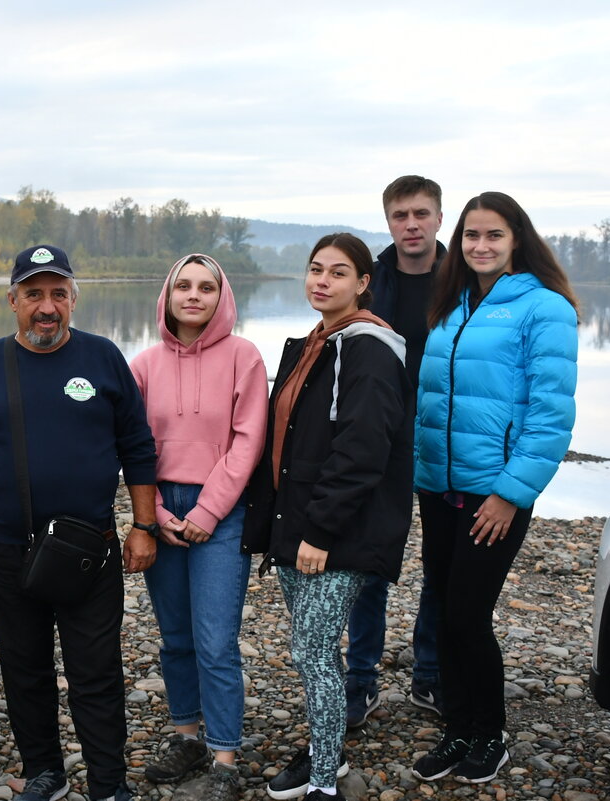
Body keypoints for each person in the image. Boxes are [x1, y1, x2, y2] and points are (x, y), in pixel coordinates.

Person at [0, 244, 159, 801]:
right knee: (23, 668)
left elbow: (137, 444)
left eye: (58, 294)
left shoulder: (105, 357)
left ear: (73, 300)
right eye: (33, 294)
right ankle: (45, 772)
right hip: (11, 549)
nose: (46, 307)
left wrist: (144, 524)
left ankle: (109, 784)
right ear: (12, 300)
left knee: (97, 673)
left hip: (91, 550)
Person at [410, 192, 578, 785]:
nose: (480, 246)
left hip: (493, 495)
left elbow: (550, 414)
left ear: (516, 240)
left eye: (493, 236)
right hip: (438, 487)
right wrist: (416, 465)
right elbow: (430, 402)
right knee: (444, 610)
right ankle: (457, 727)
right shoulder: (452, 306)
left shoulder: (543, 307)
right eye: (471, 236)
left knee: (467, 615)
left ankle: (490, 733)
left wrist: (511, 492)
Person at [243, 233, 415, 801]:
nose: (322, 281)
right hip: (299, 530)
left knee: (311, 653)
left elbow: (364, 448)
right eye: (315, 270)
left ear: (363, 284)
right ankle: (328, 756)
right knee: (315, 651)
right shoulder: (314, 343)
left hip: (338, 534)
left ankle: (322, 785)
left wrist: (319, 530)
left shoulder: (369, 347)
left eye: (338, 273)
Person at [129, 254, 268, 801]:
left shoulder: (244, 357)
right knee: (176, 637)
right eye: (183, 286)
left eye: (206, 287)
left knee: (215, 640)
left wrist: (207, 512)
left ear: (221, 296)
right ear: (167, 295)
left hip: (222, 510)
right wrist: (156, 515)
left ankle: (226, 757)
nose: (193, 295)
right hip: (161, 505)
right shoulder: (142, 365)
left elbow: (248, 442)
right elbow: (134, 448)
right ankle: (187, 736)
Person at [345, 175, 446, 727]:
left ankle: (429, 675)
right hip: (380, 439)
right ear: (388, 220)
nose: (411, 224)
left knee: (442, 565)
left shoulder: (466, 282)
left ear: (438, 218)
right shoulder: (371, 281)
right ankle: (361, 679)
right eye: (401, 215)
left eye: (421, 214)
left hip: (444, 440)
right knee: (371, 562)